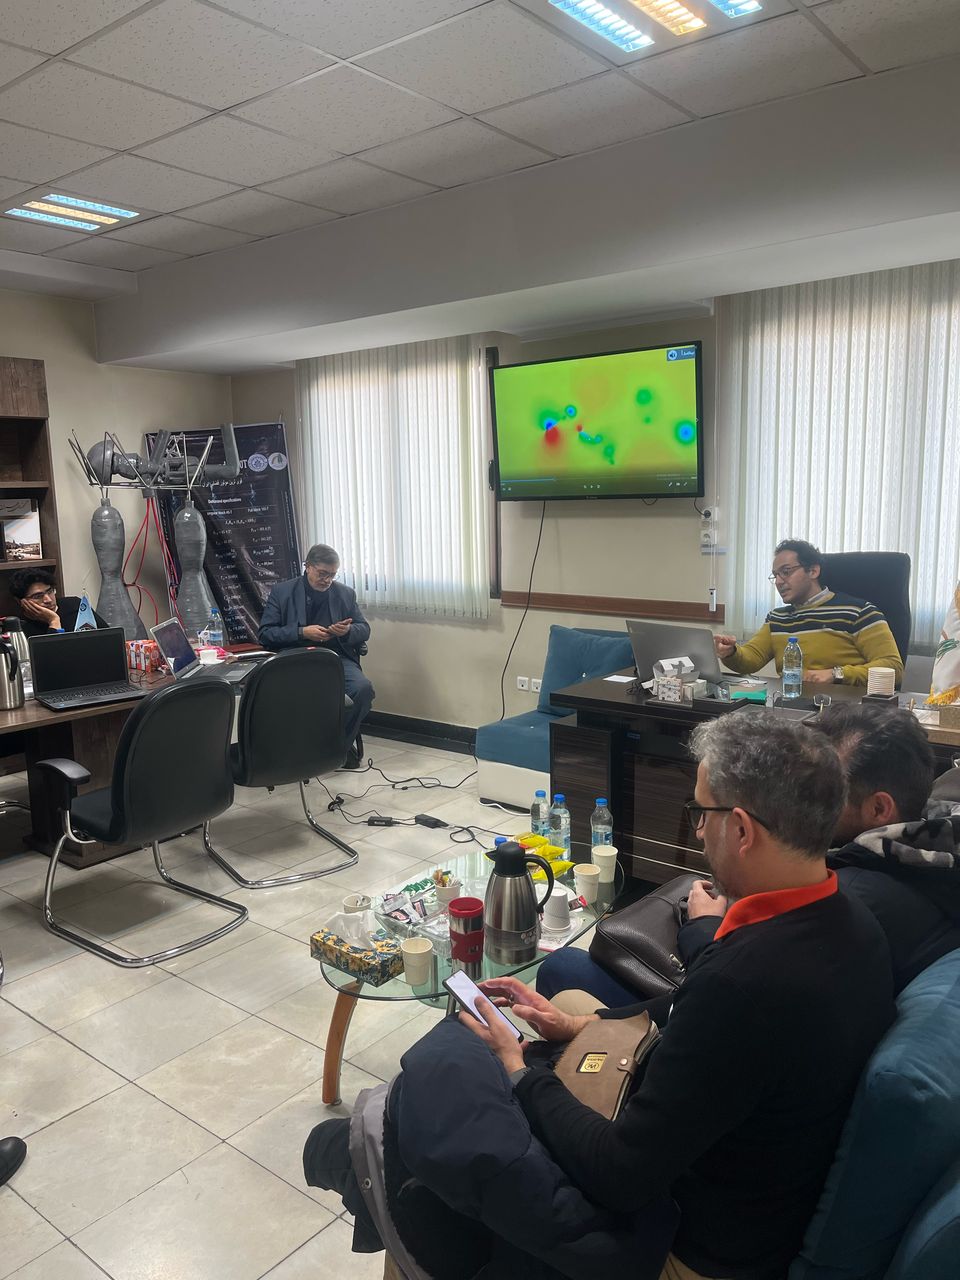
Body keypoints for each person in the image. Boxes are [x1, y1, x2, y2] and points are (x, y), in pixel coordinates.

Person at [307, 716, 894, 1280]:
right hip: (750, 1179)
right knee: (560, 1004)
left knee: (435, 1154)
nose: (696, 831)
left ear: (741, 830)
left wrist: (520, 1072)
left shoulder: (746, 982)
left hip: (686, 1246)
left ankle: (365, 1161)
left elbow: (619, 1174)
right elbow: (692, 1018)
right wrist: (573, 1026)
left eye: (700, 813)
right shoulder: (852, 922)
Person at [540, 702, 960, 1010]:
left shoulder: (852, 903)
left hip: (712, 998)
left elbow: (735, 983)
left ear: (879, 808)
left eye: (831, 784)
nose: (808, 790)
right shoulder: (929, 850)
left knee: (563, 969)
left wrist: (704, 928)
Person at [713, 539, 903, 687]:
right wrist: (731, 652)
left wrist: (837, 674)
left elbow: (893, 667)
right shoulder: (778, 618)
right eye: (775, 575)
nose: (778, 581)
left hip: (845, 709)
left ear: (813, 571)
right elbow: (751, 660)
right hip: (791, 705)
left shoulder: (859, 612)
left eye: (786, 572)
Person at [258, 543, 373, 764]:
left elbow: (364, 629)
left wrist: (348, 631)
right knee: (303, 696)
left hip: (335, 659)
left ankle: (335, 750)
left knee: (363, 690)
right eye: (322, 573)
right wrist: (302, 632)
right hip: (296, 659)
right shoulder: (283, 592)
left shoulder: (345, 593)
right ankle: (315, 750)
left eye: (332, 575)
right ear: (308, 566)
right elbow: (266, 634)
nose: (327, 580)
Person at [9, 568, 106, 638]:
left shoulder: (75, 606)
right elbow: (53, 655)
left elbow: (109, 636)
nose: (48, 600)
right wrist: (53, 621)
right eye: (38, 596)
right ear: (20, 601)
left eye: (50, 591)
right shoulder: (19, 629)